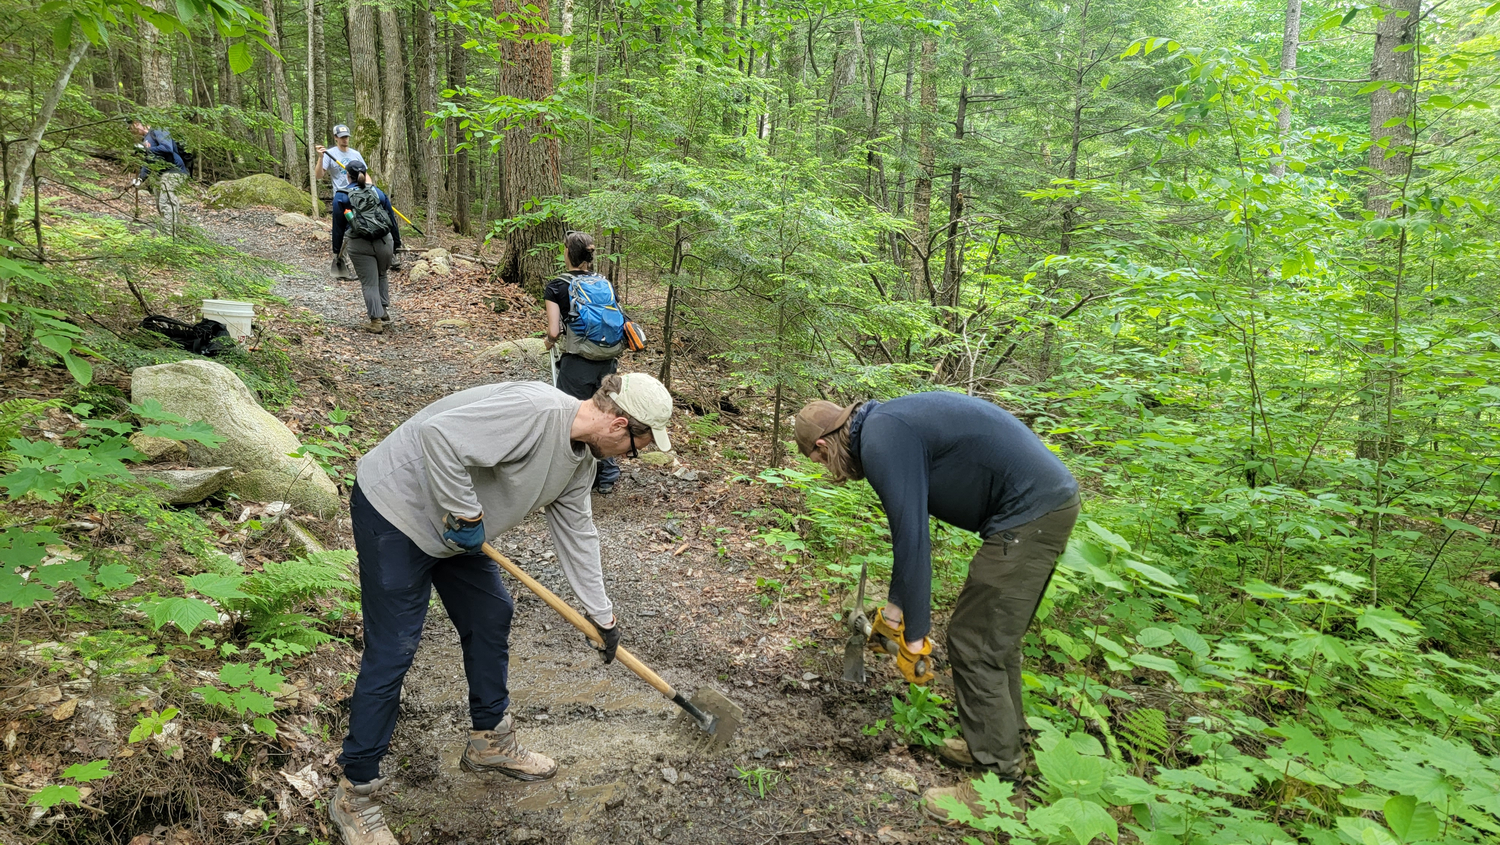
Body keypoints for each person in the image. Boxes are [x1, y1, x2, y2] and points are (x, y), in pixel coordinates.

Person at [332, 373, 675, 845]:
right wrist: (467, 512)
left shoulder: (579, 465)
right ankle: (356, 791)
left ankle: (490, 742)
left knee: (491, 613)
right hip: (397, 511)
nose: (629, 460)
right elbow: (438, 435)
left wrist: (602, 614)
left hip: (456, 531)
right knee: (394, 649)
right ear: (619, 424)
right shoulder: (533, 413)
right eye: (636, 449)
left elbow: (578, 536)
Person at [793, 392, 1080, 822]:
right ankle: (998, 744)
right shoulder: (884, 426)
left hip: (1028, 514)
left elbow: (913, 539)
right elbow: (911, 529)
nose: (829, 470)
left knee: (975, 643)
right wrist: (894, 612)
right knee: (993, 642)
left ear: (822, 445)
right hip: (1040, 507)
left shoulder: (881, 439)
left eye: (820, 462)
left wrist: (914, 637)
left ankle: (999, 786)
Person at [544, 232, 630, 495]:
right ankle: (607, 472)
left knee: (570, 415)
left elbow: (554, 331)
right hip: (608, 360)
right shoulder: (604, 282)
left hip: (578, 362)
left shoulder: (557, 286)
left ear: (568, 253)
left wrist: (548, 342)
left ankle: (570, 475)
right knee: (605, 412)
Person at [332, 161, 402, 333]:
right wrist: (397, 244)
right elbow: (392, 220)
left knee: (369, 283)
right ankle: (383, 311)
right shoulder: (377, 192)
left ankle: (376, 321)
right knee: (381, 274)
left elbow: (338, 227)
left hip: (359, 243)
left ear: (347, 176)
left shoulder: (342, 196)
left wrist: (337, 250)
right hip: (385, 241)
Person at [314, 125, 366, 279]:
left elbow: (365, 175)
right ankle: (339, 259)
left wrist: (371, 191)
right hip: (341, 198)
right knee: (340, 230)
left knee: (356, 228)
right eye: (342, 137)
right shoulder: (330, 154)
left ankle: (358, 263)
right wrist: (321, 157)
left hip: (357, 197)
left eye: (347, 137)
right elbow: (318, 175)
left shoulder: (356, 154)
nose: (345, 140)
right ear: (335, 137)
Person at [127, 118, 188, 234]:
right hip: (160, 174)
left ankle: (168, 237)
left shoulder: (158, 130)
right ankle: (182, 234)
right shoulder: (146, 139)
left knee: (167, 203)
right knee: (162, 206)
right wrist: (140, 179)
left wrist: (145, 150)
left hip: (173, 171)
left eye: (131, 128)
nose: (131, 132)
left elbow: (167, 148)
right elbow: (149, 162)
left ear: (136, 124)